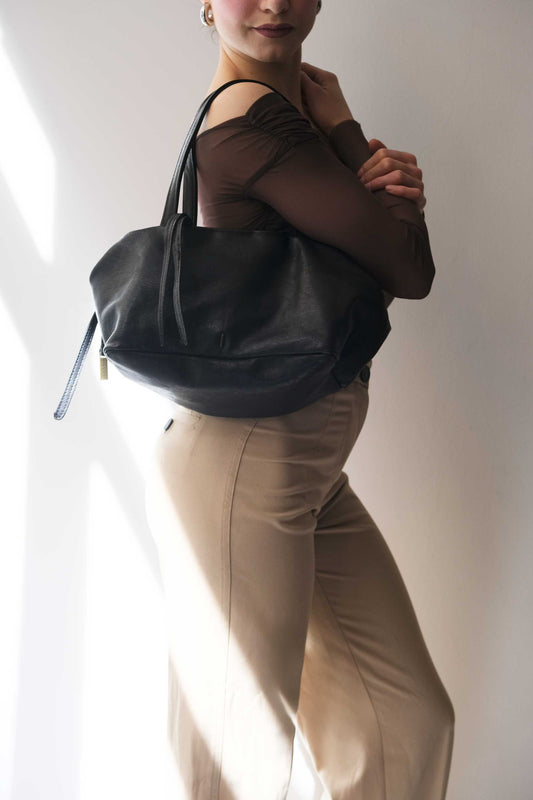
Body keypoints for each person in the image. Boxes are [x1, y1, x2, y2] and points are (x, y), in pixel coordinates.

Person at [144, 2, 455, 799]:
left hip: (304, 474)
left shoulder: (288, 120)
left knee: (404, 721)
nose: (275, 4)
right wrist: (351, 133)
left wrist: (352, 151)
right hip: (245, 466)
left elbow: (390, 253)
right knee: (237, 759)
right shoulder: (250, 120)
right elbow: (407, 266)